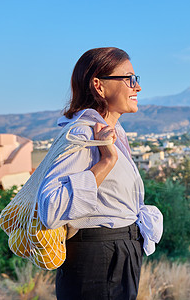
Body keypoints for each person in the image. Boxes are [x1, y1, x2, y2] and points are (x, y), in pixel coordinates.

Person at [37, 47, 163, 300]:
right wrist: (106, 161)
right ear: (99, 85)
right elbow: (50, 208)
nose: (137, 88)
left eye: (136, 79)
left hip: (114, 255)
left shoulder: (111, 132)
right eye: (128, 79)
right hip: (100, 258)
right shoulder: (84, 134)